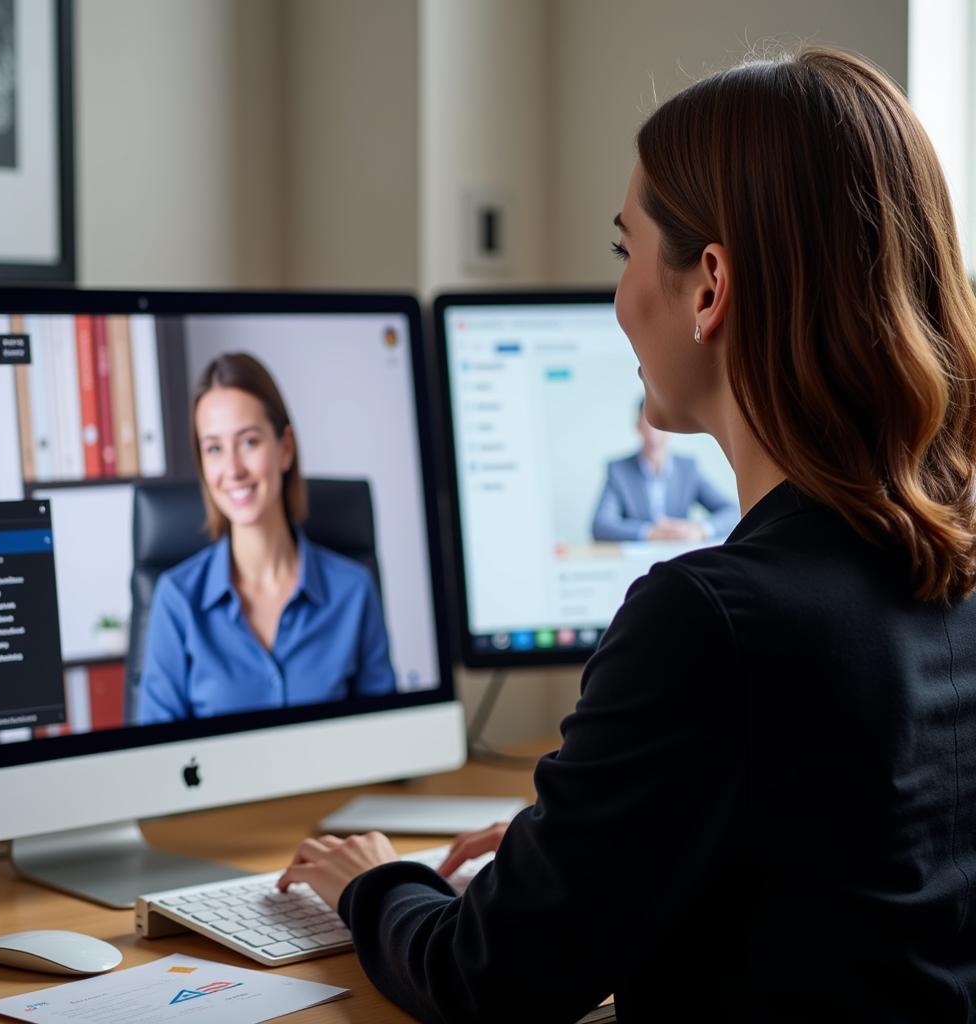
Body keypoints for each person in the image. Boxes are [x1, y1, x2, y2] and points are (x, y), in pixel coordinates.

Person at [277, 49, 976, 1021]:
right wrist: (593, 840)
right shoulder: (947, 568)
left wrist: (372, 881)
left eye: (625, 251)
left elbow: (487, 981)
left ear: (708, 287)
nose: (617, 295)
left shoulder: (711, 620)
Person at [137, 353, 395, 723]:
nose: (233, 470)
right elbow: (154, 761)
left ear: (285, 448)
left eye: (249, 442)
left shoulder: (353, 590)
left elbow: (385, 738)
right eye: (213, 449)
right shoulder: (177, 600)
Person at [591, 399, 738, 541]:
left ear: (672, 427)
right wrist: (650, 532)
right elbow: (601, 525)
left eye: (661, 421)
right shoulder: (619, 470)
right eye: (648, 421)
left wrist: (700, 529)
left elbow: (732, 512)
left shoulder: (688, 469)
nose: (655, 428)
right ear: (638, 426)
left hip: (679, 555)